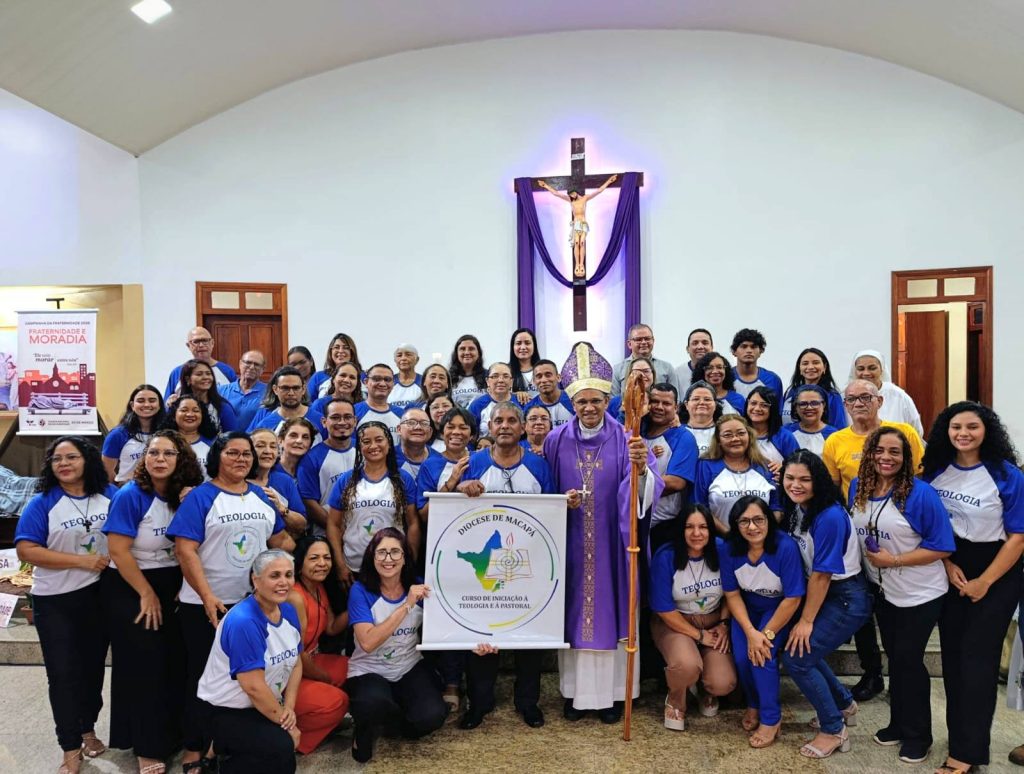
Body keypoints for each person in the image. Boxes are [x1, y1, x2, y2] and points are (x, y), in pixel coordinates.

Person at [544, 342, 662, 722]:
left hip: (614, 545)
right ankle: (575, 694)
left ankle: (613, 696)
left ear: (607, 400)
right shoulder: (555, 440)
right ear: (572, 403)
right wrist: (561, 502)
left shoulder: (628, 438)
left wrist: (641, 471)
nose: (589, 408)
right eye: (582, 402)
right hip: (571, 545)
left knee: (614, 613)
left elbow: (647, 492)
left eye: (596, 400)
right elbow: (546, 492)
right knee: (574, 614)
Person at [166, 433, 294, 773]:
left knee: (246, 675)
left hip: (252, 604)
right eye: (232, 453)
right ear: (217, 458)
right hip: (208, 604)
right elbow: (185, 550)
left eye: (246, 454)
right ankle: (195, 746)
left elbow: (279, 539)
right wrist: (207, 595)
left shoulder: (261, 496)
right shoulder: (201, 497)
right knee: (202, 677)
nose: (241, 459)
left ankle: (226, 743)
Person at [920, 402, 1024, 774]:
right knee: (953, 660)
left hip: (996, 570)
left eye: (972, 427)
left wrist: (985, 581)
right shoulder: (935, 471)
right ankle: (962, 739)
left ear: (986, 430)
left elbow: (1018, 538)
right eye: (956, 427)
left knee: (977, 662)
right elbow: (928, 527)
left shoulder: (1006, 474)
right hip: (949, 567)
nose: (963, 433)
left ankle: (967, 755)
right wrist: (947, 564)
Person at [848, 427, 955, 765]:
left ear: (906, 457)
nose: (886, 457)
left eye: (894, 452)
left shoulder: (921, 494)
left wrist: (893, 560)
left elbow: (942, 546)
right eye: (879, 450)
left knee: (908, 661)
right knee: (895, 658)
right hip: (884, 590)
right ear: (869, 453)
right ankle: (898, 724)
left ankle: (919, 735)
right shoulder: (858, 487)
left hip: (920, 592)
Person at [101, 430, 203, 774]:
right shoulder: (131, 495)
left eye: (168, 453)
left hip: (173, 582)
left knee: (173, 663)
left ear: (181, 459)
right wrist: (146, 593)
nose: (160, 459)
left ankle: (171, 734)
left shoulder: (184, 494)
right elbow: (118, 550)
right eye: (153, 453)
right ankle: (146, 746)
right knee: (144, 667)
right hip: (132, 584)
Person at [15, 437, 117, 774]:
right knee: (62, 675)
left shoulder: (110, 496)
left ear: (87, 460)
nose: (64, 464)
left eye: (71, 457)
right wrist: (81, 561)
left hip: (98, 598)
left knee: (92, 671)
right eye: (57, 459)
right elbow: (27, 550)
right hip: (55, 601)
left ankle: (87, 729)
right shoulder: (43, 503)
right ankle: (70, 747)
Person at [822, 379, 925, 702]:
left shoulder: (903, 433)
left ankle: (902, 676)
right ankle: (872, 673)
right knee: (864, 611)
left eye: (866, 397)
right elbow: (833, 490)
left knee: (898, 614)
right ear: (845, 405)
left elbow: (921, 479)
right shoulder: (836, 441)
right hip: (860, 536)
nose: (859, 403)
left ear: (879, 400)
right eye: (851, 399)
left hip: (903, 534)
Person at [455, 401, 556, 730]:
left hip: (528, 564)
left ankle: (528, 702)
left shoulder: (539, 466)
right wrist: (460, 487)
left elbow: (553, 514)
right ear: (490, 426)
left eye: (513, 420)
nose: (505, 426)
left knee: (529, 635)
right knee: (482, 635)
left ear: (523, 427)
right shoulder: (474, 462)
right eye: (499, 420)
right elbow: (449, 506)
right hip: (485, 565)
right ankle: (479, 703)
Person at [778, 450, 872, 759]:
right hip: (823, 593)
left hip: (844, 596)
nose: (796, 485)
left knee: (797, 658)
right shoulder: (799, 507)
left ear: (818, 481)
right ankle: (844, 705)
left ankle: (833, 729)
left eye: (805, 479)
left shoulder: (829, 515)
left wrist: (805, 621)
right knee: (803, 650)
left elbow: (822, 574)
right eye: (790, 478)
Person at [345, 528, 448, 763]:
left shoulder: (418, 585)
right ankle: (365, 725)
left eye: (395, 552)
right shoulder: (360, 590)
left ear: (405, 557)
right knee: (372, 703)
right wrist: (407, 605)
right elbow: (368, 642)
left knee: (431, 716)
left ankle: (390, 722)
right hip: (368, 669)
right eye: (381, 552)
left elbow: (449, 621)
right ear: (372, 557)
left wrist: (475, 642)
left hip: (408, 665)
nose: (388, 559)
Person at [196, 550, 302, 774]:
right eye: (274, 576)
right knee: (282, 748)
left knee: (284, 756)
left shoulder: (288, 611)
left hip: (262, 704)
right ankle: (218, 761)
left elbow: (296, 663)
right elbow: (253, 687)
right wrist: (287, 724)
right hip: (227, 709)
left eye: (288, 575)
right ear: (256, 580)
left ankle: (220, 750)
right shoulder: (244, 621)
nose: (284, 582)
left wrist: (289, 709)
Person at [719, 495, 806, 748]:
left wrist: (764, 635)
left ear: (769, 520)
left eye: (758, 519)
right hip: (746, 609)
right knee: (741, 658)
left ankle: (771, 718)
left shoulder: (785, 547)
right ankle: (754, 703)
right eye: (744, 521)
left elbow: (793, 597)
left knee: (762, 656)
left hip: (778, 609)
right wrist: (750, 632)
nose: (752, 527)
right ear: (735, 524)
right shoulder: (729, 549)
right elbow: (732, 594)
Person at [649, 504, 737, 731]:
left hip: (714, 620)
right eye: (689, 527)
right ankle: (676, 699)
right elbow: (664, 609)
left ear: (711, 530)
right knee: (686, 666)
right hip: (675, 622)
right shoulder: (666, 556)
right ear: (681, 529)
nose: (697, 533)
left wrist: (724, 624)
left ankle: (705, 690)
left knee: (723, 682)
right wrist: (699, 635)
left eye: (703, 527)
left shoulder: (722, 550)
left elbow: (732, 594)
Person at [326, 421, 420, 588]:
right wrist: (340, 564)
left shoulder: (403, 480)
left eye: (379, 440)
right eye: (366, 441)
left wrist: (410, 561)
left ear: (389, 444)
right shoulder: (346, 481)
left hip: (392, 564)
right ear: (359, 447)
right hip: (354, 565)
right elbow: (333, 524)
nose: (373, 446)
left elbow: (413, 523)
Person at [285, 536, 350, 756]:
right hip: (290, 672)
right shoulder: (295, 596)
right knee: (338, 701)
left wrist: (359, 605)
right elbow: (297, 653)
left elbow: (331, 627)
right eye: (314, 558)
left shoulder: (318, 586)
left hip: (311, 660)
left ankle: (321, 721)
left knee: (355, 668)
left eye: (326, 558)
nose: (322, 563)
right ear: (300, 563)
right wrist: (323, 677)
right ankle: (289, 737)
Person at [693, 416, 778, 532]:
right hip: (721, 539)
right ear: (718, 440)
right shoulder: (705, 466)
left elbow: (776, 507)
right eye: (728, 435)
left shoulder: (766, 466)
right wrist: (729, 535)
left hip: (761, 537)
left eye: (741, 433)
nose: (735, 439)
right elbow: (700, 506)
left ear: (749, 436)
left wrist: (761, 533)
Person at [537, 173, 617, 277]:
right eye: (570, 195)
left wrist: (609, 181)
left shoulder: (585, 198)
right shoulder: (571, 201)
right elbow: (557, 194)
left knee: (582, 243)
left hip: (583, 224)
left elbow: (599, 191)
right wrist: (545, 186)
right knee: (576, 243)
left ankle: (581, 264)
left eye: (572, 193)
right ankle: (577, 265)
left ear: (575, 191)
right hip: (576, 225)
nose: (571, 196)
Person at [297, 398, 357, 535]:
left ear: (355, 421)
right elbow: (310, 503)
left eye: (347, 417)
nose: (342, 422)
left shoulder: (365, 449)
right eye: (335, 417)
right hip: (327, 535)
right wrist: (338, 530)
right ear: (324, 422)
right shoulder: (311, 458)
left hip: (364, 532)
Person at [644, 383, 698, 527]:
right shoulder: (636, 430)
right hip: (631, 520)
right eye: (654, 401)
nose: (659, 407)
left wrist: (631, 487)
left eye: (666, 403)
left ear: (676, 407)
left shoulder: (683, 437)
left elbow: (676, 482)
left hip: (663, 524)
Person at [848, 349, 924, 435]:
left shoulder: (899, 396)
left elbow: (916, 431)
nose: (866, 373)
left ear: (882, 369)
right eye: (861, 369)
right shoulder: (848, 397)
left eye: (872, 368)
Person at [248, 428, 308, 537]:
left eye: (273, 446)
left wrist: (281, 508)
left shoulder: (285, 481)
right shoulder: (238, 482)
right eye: (260, 446)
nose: (268, 451)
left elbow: (302, 525)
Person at [102, 384, 165, 484]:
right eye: (141, 401)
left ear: (159, 405)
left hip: (160, 490)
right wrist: (121, 488)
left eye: (152, 400)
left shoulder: (167, 433)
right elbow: (106, 471)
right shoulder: (118, 435)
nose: (146, 404)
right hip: (128, 489)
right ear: (132, 405)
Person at [248, 366, 323, 439]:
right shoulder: (265, 425)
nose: (291, 393)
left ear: (303, 389)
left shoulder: (319, 420)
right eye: (285, 388)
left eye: (296, 388)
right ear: (275, 389)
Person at [163, 327, 236, 400]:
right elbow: (166, 403)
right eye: (196, 341)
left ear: (212, 343)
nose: (201, 345)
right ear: (188, 346)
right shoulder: (178, 372)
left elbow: (235, 398)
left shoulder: (227, 371)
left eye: (205, 341)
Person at [780, 347, 846, 428]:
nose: (810, 367)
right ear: (799, 368)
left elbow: (839, 428)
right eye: (805, 363)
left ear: (824, 367)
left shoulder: (832, 395)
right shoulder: (790, 392)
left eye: (816, 363)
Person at [610, 323, 680, 396]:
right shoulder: (617, 369)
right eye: (638, 339)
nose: (643, 342)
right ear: (629, 344)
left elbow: (675, 398)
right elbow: (613, 399)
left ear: (653, 341)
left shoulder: (667, 368)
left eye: (647, 339)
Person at [158, 396, 216, 478]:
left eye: (196, 411)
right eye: (184, 410)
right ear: (174, 414)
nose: (190, 414)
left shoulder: (213, 444)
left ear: (202, 415)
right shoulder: (162, 442)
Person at [743, 387, 799, 471]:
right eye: (753, 403)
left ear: (773, 409)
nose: (757, 408)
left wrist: (784, 468)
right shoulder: (739, 434)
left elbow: (798, 465)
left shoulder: (785, 437)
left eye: (764, 405)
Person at [175, 359, 239, 432]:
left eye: (208, 374)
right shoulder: (177, 405)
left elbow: (233, 435)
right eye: (199, 374)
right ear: (188, 379)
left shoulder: (222, 407)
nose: (205, 377)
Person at [729, 328, 783, 403]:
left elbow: (777, 408)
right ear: (734, 351)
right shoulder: (726, 377)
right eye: (744, 346)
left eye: (753, 347)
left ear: (760, 351)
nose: (749, 350)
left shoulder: (772, 379)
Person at [355, 363, 406, 443]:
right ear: (366, 382)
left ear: (393, 384)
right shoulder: (354, 411)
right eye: (376, 379)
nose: (382, 384)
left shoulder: (402, 414)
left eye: (387, 380)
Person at [218, 350, 267, 431]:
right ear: (240, 364)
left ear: (263, 369)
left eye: (257, 364)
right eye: (248, 362)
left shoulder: (269, 393)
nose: (252, 367)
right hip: (225, 438)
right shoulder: (221, 391)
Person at [785, 384, 839, 455]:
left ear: (824, 405)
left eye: (815, 403)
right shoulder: (785, 433)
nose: (809, 408)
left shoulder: (834, 435)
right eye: (803, 404)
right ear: (795, 407)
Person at [307, 333, 363, 400]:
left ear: (352, 352)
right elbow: (308, 403)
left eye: (346, 348)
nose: (341, 351)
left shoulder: (363, 376)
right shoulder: (318, 377)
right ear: (331, 351)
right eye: (336, 347)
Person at [468, 362, 521, 430]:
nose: (501, 380)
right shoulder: (476, 405)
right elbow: (470, 433)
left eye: (506, 376)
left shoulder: (521, 401)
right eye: (495, 376)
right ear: (487, 381)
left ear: (511, 381)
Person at [522, 358, 574, 428]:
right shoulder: (529, 407)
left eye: (548, 375)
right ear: (534, 381)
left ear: (558, 377)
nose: (543, 380)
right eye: (539, 376)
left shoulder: (573, 400)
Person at [396, 407, 440, 479]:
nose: (418, 427)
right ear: (399, 429)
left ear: (430, 432)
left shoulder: (439, 460)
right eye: (411, 423)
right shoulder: (387, 458)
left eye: (424, 423)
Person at [680, 381, 722, 456]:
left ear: (715, 404)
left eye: (707, 399)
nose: (702, 402)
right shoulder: (677, 432)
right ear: (686, 404)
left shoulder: (722, 431)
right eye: (696, 399)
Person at [448, 334, 487, 408]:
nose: (467, 352)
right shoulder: (447, 378)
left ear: (478, 353)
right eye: (462, 349)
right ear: (456, 353)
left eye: (471, 349)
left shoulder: (488, 376)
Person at [509, 327, 541, 401]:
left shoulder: (544, 369)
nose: (523, 347)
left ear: (534, 346)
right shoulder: (506, 372)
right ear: (513, 347)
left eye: (527, 343)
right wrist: (514, 394)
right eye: (518, 343)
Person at [389, 343, 423, 409]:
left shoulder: (424, 382)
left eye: (408, 355)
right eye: (399, 355)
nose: (403, 358)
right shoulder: (388, 382)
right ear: (395, 360)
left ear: (417, 359)